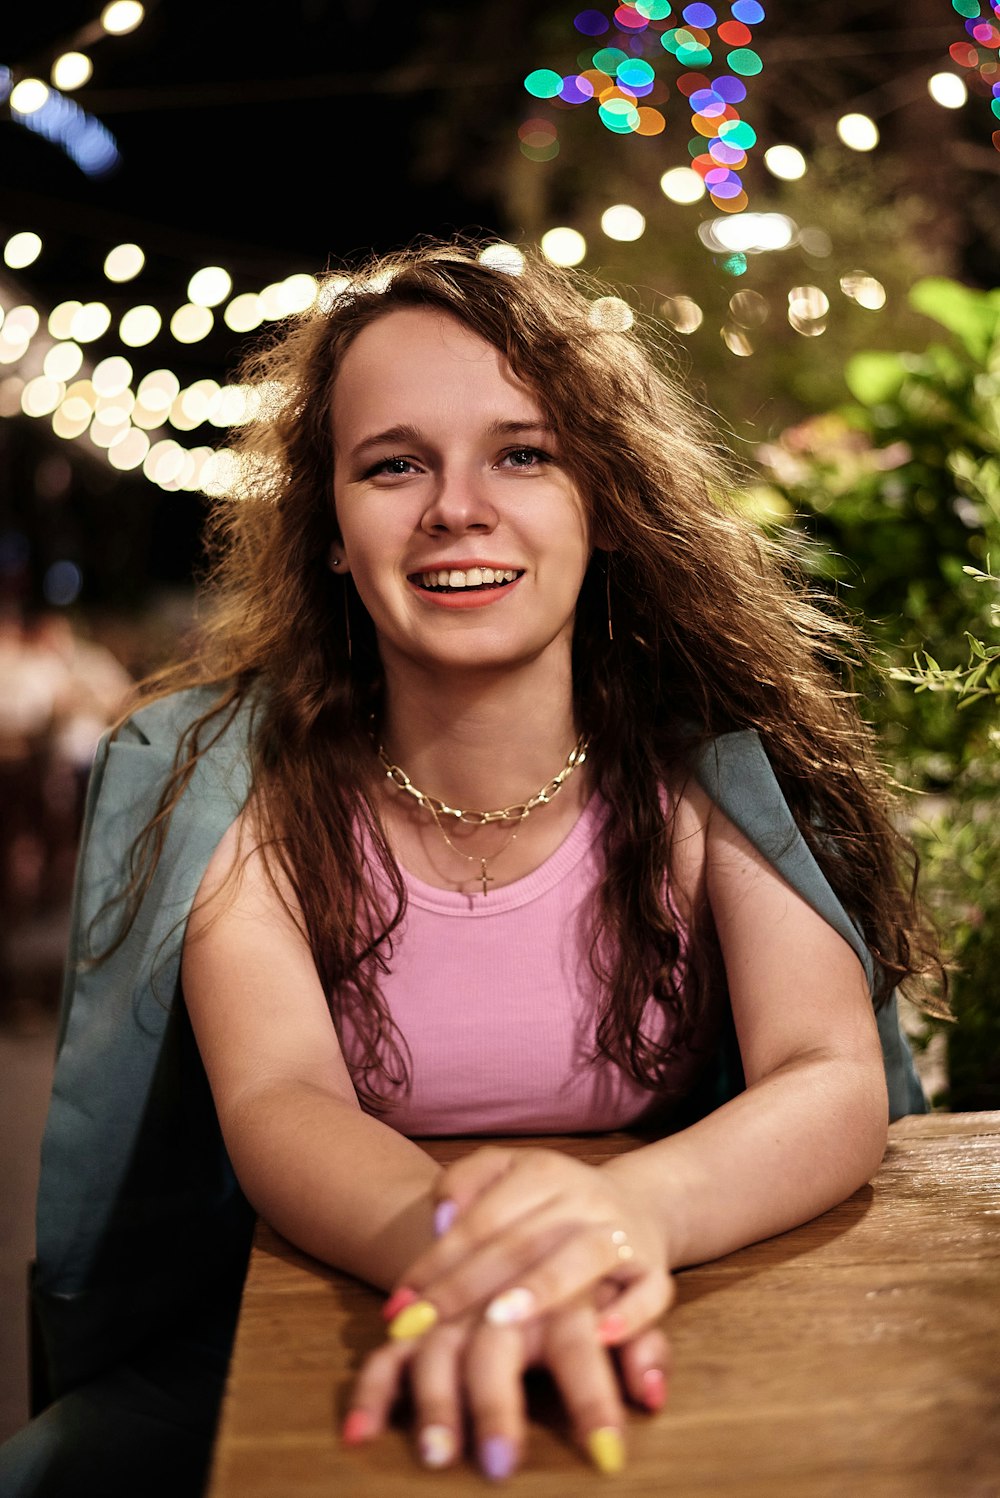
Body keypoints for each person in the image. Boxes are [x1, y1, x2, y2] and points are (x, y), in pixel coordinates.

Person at [1, 239, 943, 1495]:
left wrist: (618, 1223)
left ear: (602, 502)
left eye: (523, 452)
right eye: (394, 464)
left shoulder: (715, 761)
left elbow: (827, 1075)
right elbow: (286, 1100)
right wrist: (472, 1262)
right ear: (331, 527)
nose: (456, 505)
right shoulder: (232, 784)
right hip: (331, 1313)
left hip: (698, 1291)